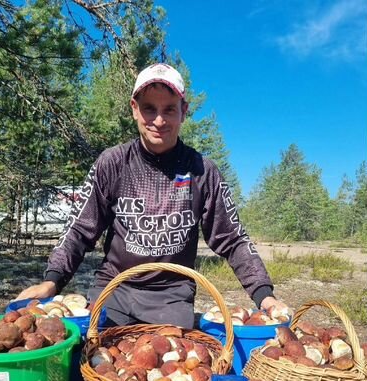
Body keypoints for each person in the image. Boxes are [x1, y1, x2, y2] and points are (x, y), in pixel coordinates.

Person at [16, 63, 288, 328]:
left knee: (169, 364)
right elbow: (79, 230)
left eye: (169, 109)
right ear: (134, 109)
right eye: (149, 108)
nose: (158, 120)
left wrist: (265, 296)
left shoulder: (202, 171)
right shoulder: (113, 163)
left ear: (184, 112)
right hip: (114, 289)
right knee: (93, 360)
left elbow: (233, 239)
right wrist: (52, 280)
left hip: (171, 296)